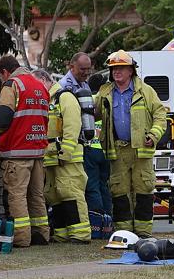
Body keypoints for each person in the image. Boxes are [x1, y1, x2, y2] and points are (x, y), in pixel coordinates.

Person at [94, 50, 166, 238]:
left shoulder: (146, 91)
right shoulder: (104, 93)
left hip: (142, 149)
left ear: (131, 70)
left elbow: (160, 116)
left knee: (143, 190)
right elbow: (93, 113)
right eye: (113, 68)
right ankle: (124, 233)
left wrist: (153, 135)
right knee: (119, 191)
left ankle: (143, 233)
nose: (116, 72)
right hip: (117, 149)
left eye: (121, 68)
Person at [0, 55, 50, 247]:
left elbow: (3, 120)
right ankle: (41, 234)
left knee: (17, 196)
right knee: (36, 196)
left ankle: (21, 239)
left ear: (4, 72)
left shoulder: (12, 84)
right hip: (37, 151)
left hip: (17, 151)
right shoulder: (39, 85)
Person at [32, 69, 91, 244]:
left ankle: (80, 233)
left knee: (71, 192)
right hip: (50, 158)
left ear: (45, 80)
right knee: (53, 195)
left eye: (36, 84)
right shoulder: (46, 100)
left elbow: (72, 127)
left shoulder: (64, 97)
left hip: (67, 157)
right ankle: (62, 233)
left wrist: (66, 151)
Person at [85, 73, 112, 216]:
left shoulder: (87, 100)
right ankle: (108, 218)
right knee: (104, 186)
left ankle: (98, 220)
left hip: (91, 149)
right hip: (106, 149)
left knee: (92, 187)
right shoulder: (107, 99)